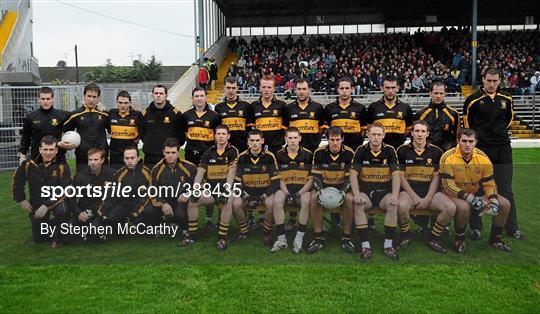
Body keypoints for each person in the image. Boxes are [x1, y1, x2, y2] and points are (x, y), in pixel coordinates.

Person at [463, 68, 522, 240]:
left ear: (500, 80)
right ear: (483, 79)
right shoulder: (472, 100)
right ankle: (476, 227)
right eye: (488, 80)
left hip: (503, 148)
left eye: (495, 81)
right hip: (482, 149)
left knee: (506, 189)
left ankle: (511, 228)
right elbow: (468, 126)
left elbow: (509, 120)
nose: (491, 84)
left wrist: (499, 134)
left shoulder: (507, 98)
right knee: (477, 187)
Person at [440, 128, 511, 253]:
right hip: (454, 193)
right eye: (464, 141)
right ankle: (460, 239)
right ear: (458, 141)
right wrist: (470, 198)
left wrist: (493, 201)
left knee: (504, 204)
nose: (467, 145)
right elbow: (448, 185)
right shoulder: (448, 157)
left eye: (471, 141)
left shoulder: (483, 158)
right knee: (464, 207)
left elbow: (489, 184)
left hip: (476, 192)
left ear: (476, 142)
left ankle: (495, 239)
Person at [396, 121, 456, 253]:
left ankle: (433, 237)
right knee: (401, 206)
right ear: (411, 133)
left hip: (431, 192)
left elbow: (436, 177)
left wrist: (428, 198)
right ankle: (406, 235)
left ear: (428, 133)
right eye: (416, 131)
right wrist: (414, 196)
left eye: (423, 131)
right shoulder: (402, 150)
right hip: (409, 192)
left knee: (450, 208)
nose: (419, 134)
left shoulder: (436, 151)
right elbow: (401, 177)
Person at [350, 123, 402, 261]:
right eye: (373, 134)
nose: (376, 137)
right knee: (358, 204)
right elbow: (353, 175)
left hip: (384, 192)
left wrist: (395, 196)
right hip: (366, 191)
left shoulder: (390, 150)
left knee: (392, 205)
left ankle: (388, 245)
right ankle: (365, 246)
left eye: (379, 134)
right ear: (368, 134)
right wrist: (356, 195)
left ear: (384, 135)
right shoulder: (361, 150)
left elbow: (396, 175)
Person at [183, 125, 238, 249]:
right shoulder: (208, 151)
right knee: (193, 200)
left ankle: (221, 237)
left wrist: (227, 190)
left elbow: (232, 171)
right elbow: (200, 172)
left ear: (228, 136)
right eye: (218, 134)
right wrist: (195, 189)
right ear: (214, 136)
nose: (221, 136)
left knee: (228, 201)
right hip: (210, 189)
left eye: (224, 134)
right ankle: (192, 236)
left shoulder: (233, 151)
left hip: (225, 188)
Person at [12, 135, 71, 248]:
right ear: (40, 149)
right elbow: (17, 181)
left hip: (55, 202)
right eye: (45, 149)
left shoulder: (62, 166)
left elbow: (66, 189)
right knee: (39, 239)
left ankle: (63, 227)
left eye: (51, 149)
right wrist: (21, 199)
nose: (48, 153)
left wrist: (47, 205)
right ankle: (57, 225)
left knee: (61, 211)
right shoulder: (29, 164)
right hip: (36, 203)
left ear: (56, 150)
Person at [231, 130, 283, 249]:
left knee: (271, 204)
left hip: (265, 192)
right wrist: (246, 196)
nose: (255, 143)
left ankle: (266, 232)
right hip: (247, 191)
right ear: (248, 142)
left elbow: (276, 182)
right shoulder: (242, 157)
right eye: (252, 141)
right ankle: (244, 231)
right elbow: (237, 182)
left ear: (262, 141)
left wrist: (263, 197)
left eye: (257, 140)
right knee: (236, 204)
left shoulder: (269, 156)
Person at [307, 126, 356, 255]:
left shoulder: (350, 153)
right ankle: (318, 238)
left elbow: (351, 179)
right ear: (327, 139)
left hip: (342, 186)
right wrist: (320, 190)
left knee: (349, 199)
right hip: (323, 186)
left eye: (337, 139)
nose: (335, 143)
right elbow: (315, 177)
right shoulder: (319, 152)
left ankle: (346, 238)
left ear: (342, 139)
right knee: (313, 197)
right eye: (332, 139)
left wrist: (343, 192)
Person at [138, 138, 195, 243]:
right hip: (164, 201)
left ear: (178, 152)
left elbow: (199, 185)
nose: (170, 155)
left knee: (181, 213)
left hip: (181, 202)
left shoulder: (189, 167)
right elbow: (152, 192)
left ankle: (184, 228)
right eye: (167, 152)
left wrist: (189, 193)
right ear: (163, 152)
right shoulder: (156, 169)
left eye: (173, 152)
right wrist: (163, 204)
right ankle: (159, 226)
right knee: (148, 210)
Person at [273, 127, 313, 253]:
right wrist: (286, 193)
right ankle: (281, 239)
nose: (293, 141)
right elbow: (278, 178)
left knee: (306, 201)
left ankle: (298, 240)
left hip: (302, 189)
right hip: (285, 188)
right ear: (285, 139)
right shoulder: (278, 154)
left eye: (295, 138)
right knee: (277, 200)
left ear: (300, 138)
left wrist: (298, 193)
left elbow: (311, 179)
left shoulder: (308, 154)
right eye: (290, 138)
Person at [97, 145, 151, 234]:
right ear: (123, 159)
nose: (130, 161)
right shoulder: (119, 174)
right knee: (112, 218)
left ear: (138, 158)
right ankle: (123, 227)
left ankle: (148, 228)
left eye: (132, 158)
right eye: (127, 158)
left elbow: (149, 195)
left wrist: (136, 211)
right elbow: (112, 195)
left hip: (141, 205)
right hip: (125, 204)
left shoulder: (147, 173)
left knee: (142, 218)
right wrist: (105, 211)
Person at [69, 148, 115, 240]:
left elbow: (116, 196)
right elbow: (70, 198)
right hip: (85, 211)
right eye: (90, 160)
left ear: (102, 160)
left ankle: (98, 229)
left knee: (95, 234)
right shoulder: (80, 176)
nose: (92, 162)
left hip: (103, 211)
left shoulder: (111, 174)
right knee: (67, 230)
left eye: (96, 160)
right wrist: (78, 213)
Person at [63, 83, 109, 173]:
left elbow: (112, 129)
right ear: (84, 96)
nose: (91, 100)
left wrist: (107, 113)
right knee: (83, 184)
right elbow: (65, 131)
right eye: (89, 96)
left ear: (98, 98)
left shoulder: (104, 114)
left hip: (101, 155)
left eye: (94, 97)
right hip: (83, 156)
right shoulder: (75, 115)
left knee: (103, 183)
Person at [19, 87, 70, 164]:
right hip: (37, 156)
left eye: (48, 99)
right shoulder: (31, 116)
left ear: (53, 99)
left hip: (58, 157)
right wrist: (22, 154)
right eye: (43, 99)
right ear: (38, 99)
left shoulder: (62, 115)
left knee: (60, 176)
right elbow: (26, 137)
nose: (45, 101)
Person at [140, 84, 184, 169]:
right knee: (150, 181)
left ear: (166, 95)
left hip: (170, 157)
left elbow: (181, 136)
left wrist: (172, 148)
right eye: (156, 93)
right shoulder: (145, 114)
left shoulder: (176, 114)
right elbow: (142, 133)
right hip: (150, 157)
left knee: (170, 181)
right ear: (152, 95)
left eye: (161, 93)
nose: (158, 95)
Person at [366, 75, 413, 149]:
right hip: (379, 149)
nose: (390, 91)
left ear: (397, 88)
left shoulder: (406, 107)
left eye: (393, 87)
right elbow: (369, 127)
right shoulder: (373, 107)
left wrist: (400, 138)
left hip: (399, 148)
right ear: (382, 88)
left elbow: (409, 128)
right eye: (387, 88)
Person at [323, 77, 367, 152]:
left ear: (352, 89)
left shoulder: (360, 108)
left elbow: (363, 130)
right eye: (341, 88)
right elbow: (327, 129)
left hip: (355, 148)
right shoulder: (329, 108)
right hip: (336, 149)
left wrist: (358, 142)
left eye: (347, 88)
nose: (344, 91)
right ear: (337, 89)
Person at [415, 81, 460, 151]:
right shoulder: (420, 114)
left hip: (446, 151)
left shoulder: (453, 113)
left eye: (441, 93)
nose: (438, 96)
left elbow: (457, 135)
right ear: (430, 93)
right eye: (436, 93)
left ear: (445, 94)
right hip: (426, 151)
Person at [283, 78, 325, 152]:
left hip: (313, 148)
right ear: (295, 90)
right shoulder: (288, 108)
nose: (301, 92)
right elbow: (285, 129)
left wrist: (314, 140)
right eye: (299, 89)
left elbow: (321, 128)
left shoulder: (318, 107)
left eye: (304, 89)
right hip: (294, 150)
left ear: (309, 89)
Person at [248, 75, 287, 153]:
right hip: (258, 148)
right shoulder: (253, 106)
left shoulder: (282, 105)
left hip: (277, 148)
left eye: (269, 87)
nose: (266, 90)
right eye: (264, 87)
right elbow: (250, 129)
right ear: (259, 88)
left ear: (274, 89)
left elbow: (286, 128)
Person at [107, 91, 143, 170]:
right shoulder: (111, 113)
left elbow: (143, 131)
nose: (123, 105)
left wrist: (138, 138)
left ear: (130, 103)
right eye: (120, 102)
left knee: (131, 178)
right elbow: (109, 130)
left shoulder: (137, 115)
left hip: (130, 156)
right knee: (115, 178)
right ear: (116, 102)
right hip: (115, 155)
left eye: (126, 103)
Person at [214, 77, 251, 152]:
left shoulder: (246, 106)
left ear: (237, 88)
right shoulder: (218, 107)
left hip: (242, 146)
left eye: (233, 88)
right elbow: (217, 129)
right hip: (225, 147)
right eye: (228, 87)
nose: (231, 91)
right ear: (224, 87)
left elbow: (249, 128)